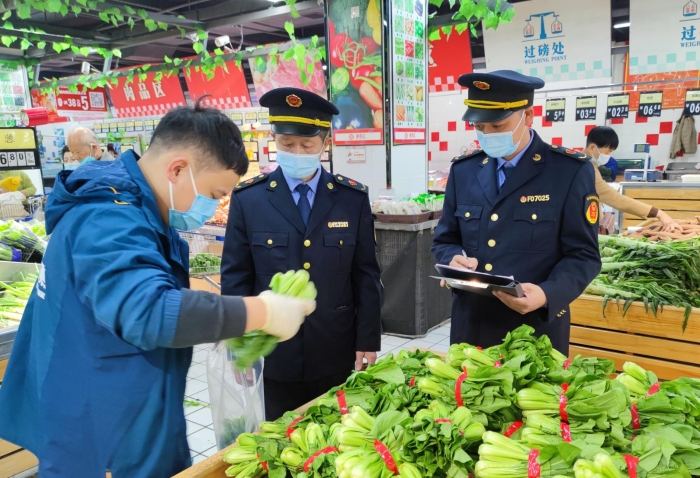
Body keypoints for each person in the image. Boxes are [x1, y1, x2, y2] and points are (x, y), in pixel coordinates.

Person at [0, 100, 316, 478]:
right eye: (215, 195)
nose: (212, 206)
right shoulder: (108, 218)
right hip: (101, 437)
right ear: (178, 169)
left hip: (134, 418)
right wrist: (263, 311)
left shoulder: (137, 209)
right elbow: (151, 312)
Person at [220, 87, 382, 421]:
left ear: (325, 141)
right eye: (286, 144)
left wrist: (369, 338)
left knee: (335, 439)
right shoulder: (250, 200)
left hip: (335, 347)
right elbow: (236, 276)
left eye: (307, 144)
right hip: (274, 351)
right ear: (273, 138)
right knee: (280, 443)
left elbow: (366, 273)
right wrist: (239, 348)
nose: (297, 151)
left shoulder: (351, 199)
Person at [431, 70, 601, 354]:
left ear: (528, 115)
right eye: (480, 127)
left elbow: (584, 255)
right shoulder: (465, 171)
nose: (487, 135)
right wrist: (453, 259)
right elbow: (444, 239)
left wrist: (548, 293)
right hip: (472, 326)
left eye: (497, 126)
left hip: (535, 331)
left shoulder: (568, 172)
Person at [584, 126, 680, 233]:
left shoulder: (584, 164)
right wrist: (658, 213)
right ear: (592, 148)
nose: (609, 156)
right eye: (607, 152)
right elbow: (613, 198)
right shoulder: (585, 168)